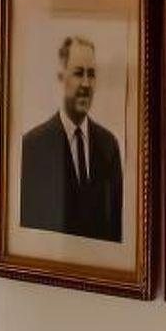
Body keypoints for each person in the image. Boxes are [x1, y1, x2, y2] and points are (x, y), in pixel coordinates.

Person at [19, 36, 124, 242]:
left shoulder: (109, 146)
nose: (86, 83)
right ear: (61, 77)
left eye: (91, 74)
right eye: (78, 73)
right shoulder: (32, 147)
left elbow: (115, 229)